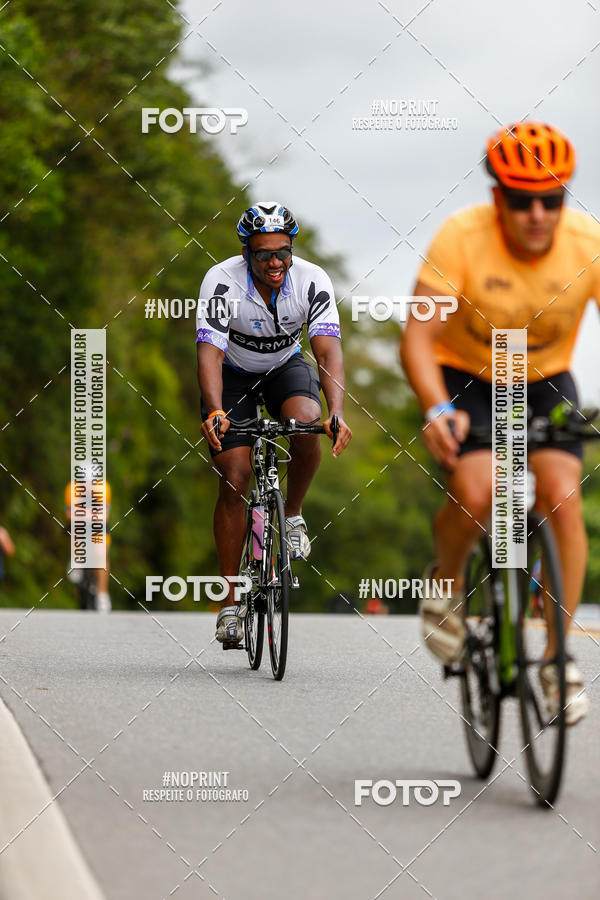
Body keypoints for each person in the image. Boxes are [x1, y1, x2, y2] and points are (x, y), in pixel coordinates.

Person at [400, 121, 600, 725]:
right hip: (468, 378)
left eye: (552, 199)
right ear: (498, 200)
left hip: (543, 383)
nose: (537, 213)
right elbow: (416, 338)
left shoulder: (587, 242)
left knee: (563, 496)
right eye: (521, 200)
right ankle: (445, 586)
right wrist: (436, 406)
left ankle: (557, 658)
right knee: (475, 488)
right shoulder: (461, 237)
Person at [197, 201, 352, 643]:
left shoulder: (311, 279)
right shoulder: (222, 281)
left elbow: (326, 351)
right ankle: (229, 604)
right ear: (246, 252)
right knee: (235, 475)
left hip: (285, 366)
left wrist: (337, 408)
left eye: (283, 252)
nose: (275, 263)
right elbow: (209, 353)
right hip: (232, 374)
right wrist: (213, 408)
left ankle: (294, 513)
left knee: (308, 421)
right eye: (263, 253)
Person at [65, 475, 112, 612]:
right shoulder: (72, 489)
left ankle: (102, 594)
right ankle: (77, 560)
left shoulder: (103, 488)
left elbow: (104, 516)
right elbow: (70, 515)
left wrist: (83, 514)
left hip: (98, 526)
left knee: (101, 554)